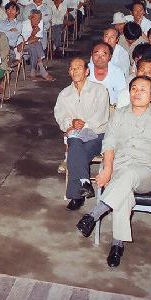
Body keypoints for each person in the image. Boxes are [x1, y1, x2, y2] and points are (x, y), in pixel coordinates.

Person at [74, 76, 151, 268]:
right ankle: (117, 245)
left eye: (143, 89)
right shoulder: (119, 114)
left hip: (147, 173)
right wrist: (108, 168)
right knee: (123, 190)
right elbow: (108, 144)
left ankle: (93, 215)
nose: (137, 92)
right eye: (134, 88)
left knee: (127, 176)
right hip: (119, 167)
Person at [54, 58, 111, 211]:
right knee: (75, 143)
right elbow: (60, 115)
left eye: (79, 68)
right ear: (69, 72)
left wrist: (84, 125)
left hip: (97, 134)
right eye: (72, 68)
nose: (75, 71)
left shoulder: (99, 90)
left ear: (87, 71)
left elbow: (102, 116)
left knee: (74, 149)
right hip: (75, 135)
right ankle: (84, 183)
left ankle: (76, 195)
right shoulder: (64, 94)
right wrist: (71, 123)